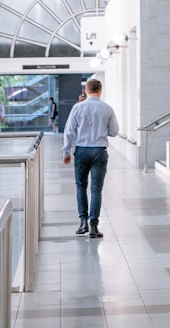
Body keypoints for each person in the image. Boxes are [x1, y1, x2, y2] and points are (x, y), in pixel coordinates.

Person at [62, 79, 119, 238]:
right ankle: (94, 226)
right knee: (96, 189)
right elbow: (114, 132)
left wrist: (66, 151)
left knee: (81, 186)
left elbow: (69, 131)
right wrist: (100, 130)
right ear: (100, 91)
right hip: (99, 151)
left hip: (81, 151)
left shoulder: (77, 108)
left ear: (86, 91)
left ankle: (83, 223)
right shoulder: (107, 109)